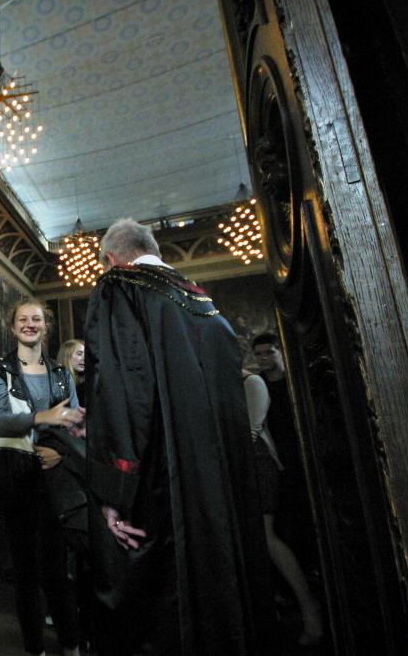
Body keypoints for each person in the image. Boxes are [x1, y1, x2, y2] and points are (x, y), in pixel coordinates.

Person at [84, 218, 272, 654]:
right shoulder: (209, 311)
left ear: (112, 259)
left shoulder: (120, 289)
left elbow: (123, 390)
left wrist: (116, 488)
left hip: (158, 487)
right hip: (216, 492)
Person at [0, 299, 84, 656]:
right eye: (23, 320)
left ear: (46, 327)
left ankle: (72, 647)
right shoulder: (1, 371)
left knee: (57, 571)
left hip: (56, 482)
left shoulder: (60, 373)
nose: (30, 324)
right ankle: (35, 650)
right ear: (13, 328)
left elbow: (76, 425)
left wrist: (62, 449)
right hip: (16, 480)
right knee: (26, 574)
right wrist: (45, 418)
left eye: (37, 319)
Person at [244, 372, 324, 646]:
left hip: (257, 464)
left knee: (267, 537)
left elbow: (250, 432)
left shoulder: (252, 382)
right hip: (240, 466)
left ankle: (310, 610)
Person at [251, 332, 317, 576]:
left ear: (280, 352)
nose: (263, 358)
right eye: (258, 354)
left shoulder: (297, 382)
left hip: (304, 456)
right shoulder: (258, 384)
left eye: (269, 352)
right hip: (277, 461)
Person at [56, 339, 86, 410]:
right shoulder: (57, 384)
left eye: (86, 354)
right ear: (66, 356)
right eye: (79, 354)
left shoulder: (88, 385)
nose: (84, 358)